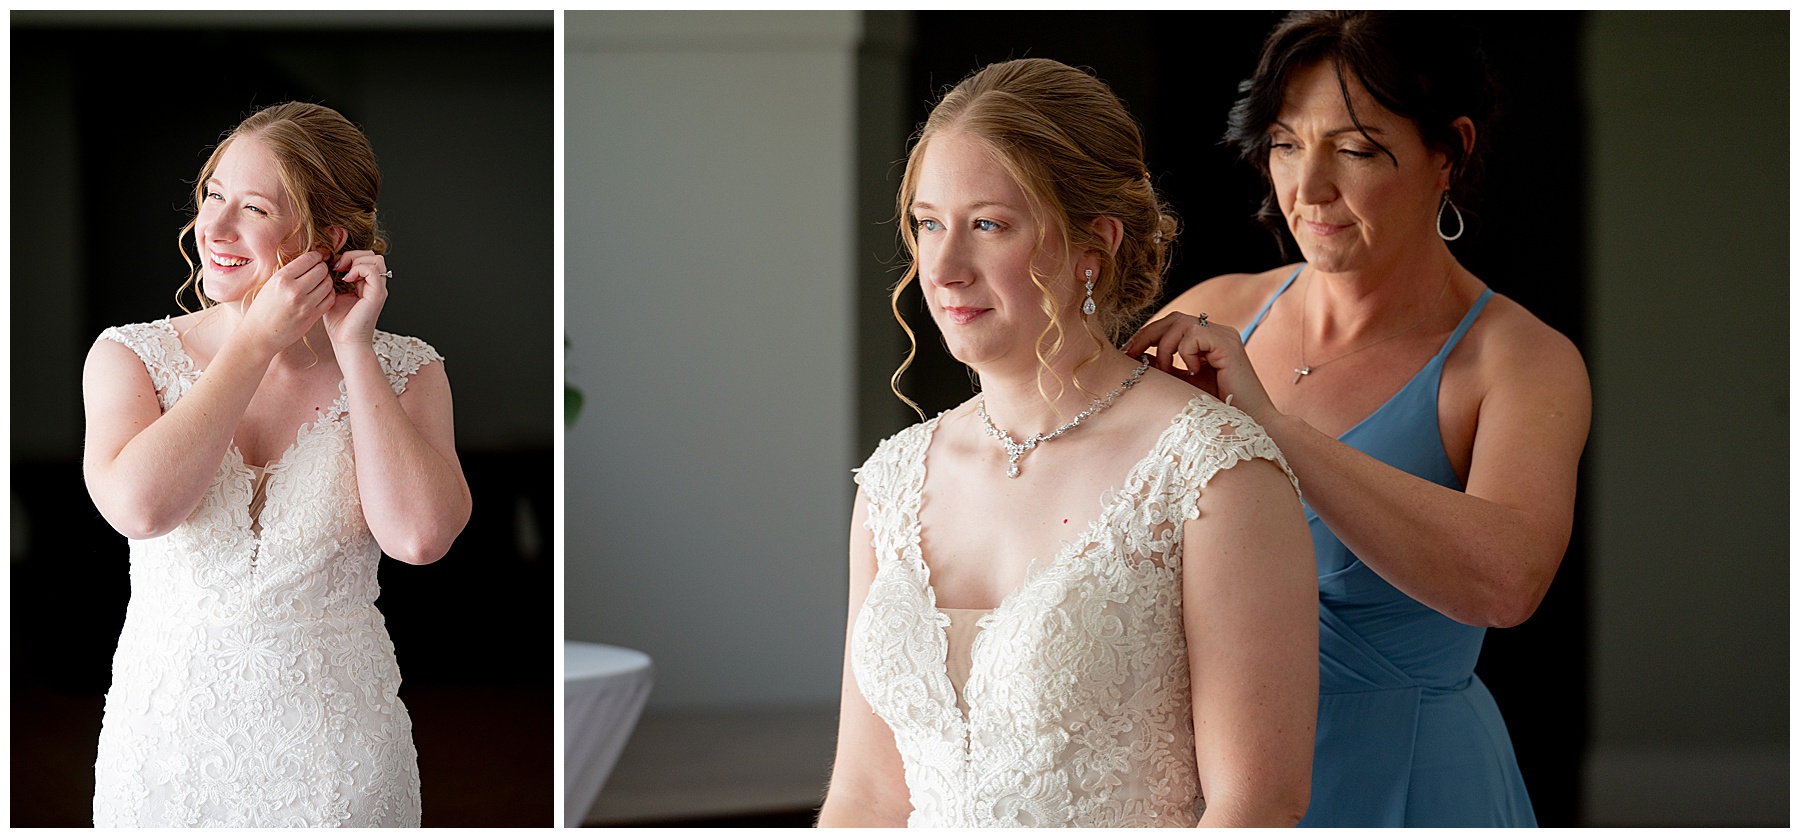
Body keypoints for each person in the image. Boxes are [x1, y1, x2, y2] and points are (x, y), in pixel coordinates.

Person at [816, 58, 1318, 828]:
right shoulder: (892, 480)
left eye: (987, 224)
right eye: (927, 223)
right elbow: (865, 797)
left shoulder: (1212, 473)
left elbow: (1256, 804)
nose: (942, 268)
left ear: (1094, 245)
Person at [1124, 12, 1591, 827]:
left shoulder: (1516, 359)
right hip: (1219, 784)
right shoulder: (1211, 313)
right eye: (1284, 143)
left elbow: (1509, 582)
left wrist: (1270, 426)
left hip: (1413, 781)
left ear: (1449, 153)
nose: (1307, 188)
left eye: (1355, 148)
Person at [82, 102, 472, 827]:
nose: (216, 227)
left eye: (253, 207)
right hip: (164, 756)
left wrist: (355, 348)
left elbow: (420, 538)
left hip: (338, 761)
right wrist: (254, 343)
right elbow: (141, 509)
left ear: (330, 238)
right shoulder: (128, 357)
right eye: (213, 195)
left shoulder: (408, 370)